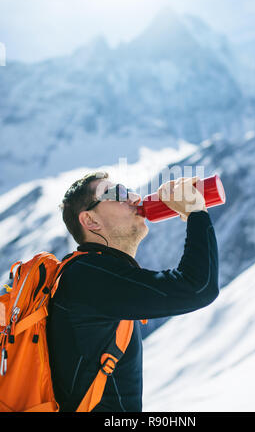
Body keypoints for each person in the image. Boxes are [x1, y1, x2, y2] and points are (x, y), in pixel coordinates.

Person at [47, 171, 219, 412]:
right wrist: (196, 212)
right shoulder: (89, 276)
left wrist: (195, 211)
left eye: (128, 190)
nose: (134, 198)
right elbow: (197, 287)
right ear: (90, 221)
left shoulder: (89, 273)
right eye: (117, 194)